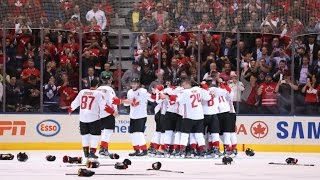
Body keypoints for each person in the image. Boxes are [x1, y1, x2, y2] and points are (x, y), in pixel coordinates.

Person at [69, 79, 107, 159]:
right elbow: (104, 106)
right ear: (97, 85)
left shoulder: (82, 92)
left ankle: (86, 153)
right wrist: (112, 111)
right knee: (95, 136)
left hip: (83, 118)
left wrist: (70, 109)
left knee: (84, 136)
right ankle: (92, 152)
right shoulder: (98, 93)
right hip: (94, 118)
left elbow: (75, 102)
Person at [112, 78, 151, 156]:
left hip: (141, 115)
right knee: (133, 133)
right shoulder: (129, 92)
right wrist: (124, 101)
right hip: (133, 115)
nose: (133, 85)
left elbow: (150, 98)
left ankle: (144, 150)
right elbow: (128, 104)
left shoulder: (143, 91)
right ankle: (136, 150)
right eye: (132, 83)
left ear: (138, 84)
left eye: (135, 83)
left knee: (139, 133)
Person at [174, 77, 210, 158]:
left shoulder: (184, 92)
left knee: (184, 134)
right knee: (199, 134)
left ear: (187, 84)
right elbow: (208, 97)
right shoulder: (198, 89)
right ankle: (202, 151)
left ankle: (182, 151)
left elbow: (178, 101)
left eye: (183, 84)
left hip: (188, 116)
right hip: (199, 116)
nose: (182, 86)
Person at [97, 75, 118, 157]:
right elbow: (113, 101)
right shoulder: (110, 89)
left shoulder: (98, 89)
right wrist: (115, 111)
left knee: (100, 132)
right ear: (110, 80)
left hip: (99, 113)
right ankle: (103, 149)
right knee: (107, 132)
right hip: (108, 113)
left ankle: (95, 149)